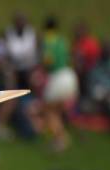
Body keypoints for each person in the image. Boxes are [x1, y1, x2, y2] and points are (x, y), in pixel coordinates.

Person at [41, 15, 78, 152]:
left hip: (58, 77)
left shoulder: (48, 39)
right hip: (70, 75)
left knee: (48, 111)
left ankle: (61, 139)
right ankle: (60, 137)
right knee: (56, 111)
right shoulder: (63, 39)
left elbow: (48, 61)